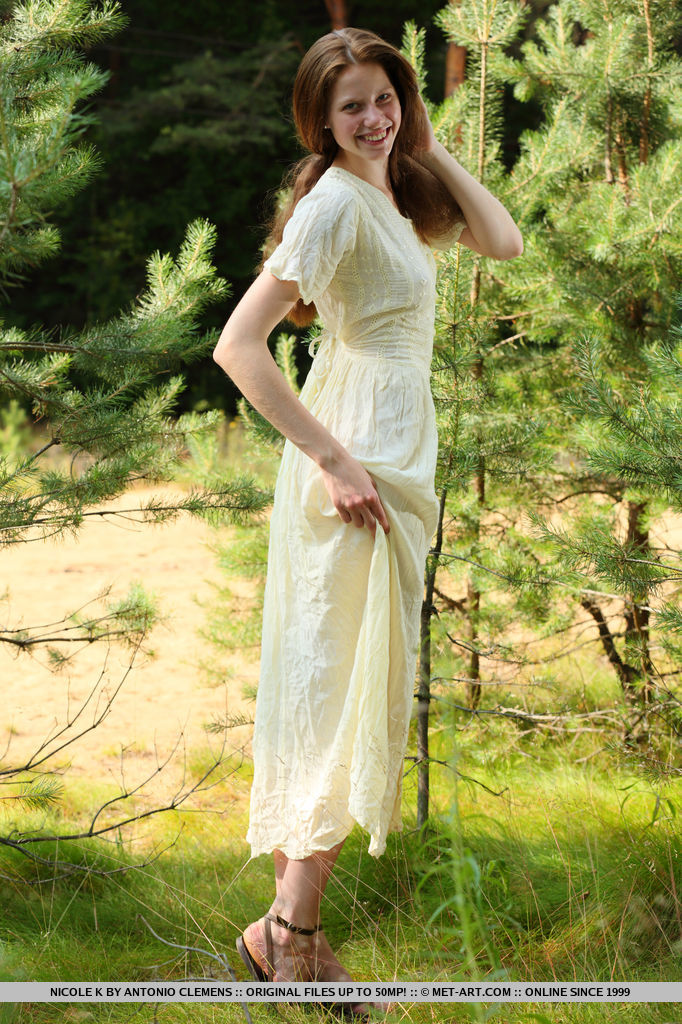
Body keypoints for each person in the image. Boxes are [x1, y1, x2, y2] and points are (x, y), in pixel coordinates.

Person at [213, 25, 522, 1009]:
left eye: (385, 98)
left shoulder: (392, 191)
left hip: (392, 451)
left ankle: (284, 936)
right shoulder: (334, 204)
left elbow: (504, 240)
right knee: (342, 694)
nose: (373, 118)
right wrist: (334, 460)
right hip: (355, 462)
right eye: (351, 106)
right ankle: (293, 943)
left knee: (338, 688)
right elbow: (238, 346)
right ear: (321, 118)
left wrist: (428, 145)